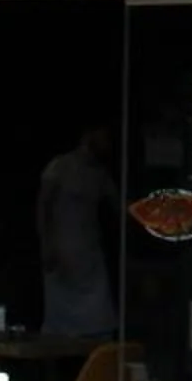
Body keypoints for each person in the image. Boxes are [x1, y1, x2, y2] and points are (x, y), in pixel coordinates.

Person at [36, 125, 118, 337]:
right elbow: (44, 205)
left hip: (89, 251)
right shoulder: (60, 166)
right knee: (58, 318)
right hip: (62, 249)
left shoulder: (99, 174)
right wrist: (47, 244)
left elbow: (117, 204)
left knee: (98, 316)